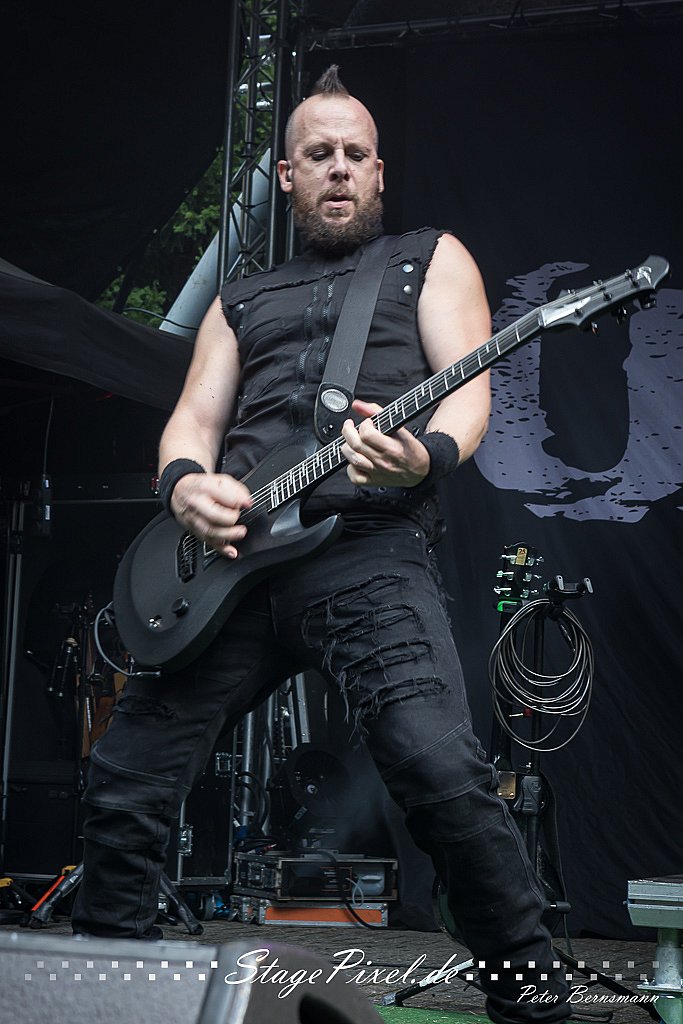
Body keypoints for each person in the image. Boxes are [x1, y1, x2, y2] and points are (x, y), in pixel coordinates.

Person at [72, 67, 569, 1023]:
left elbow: (468, 392)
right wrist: (186, 487)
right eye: (318, 154)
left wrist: (421, 456)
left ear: (378, 172)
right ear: (288, 176)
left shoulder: (427, 258)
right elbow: (191, 421)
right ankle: (99, 996)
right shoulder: (240, 297)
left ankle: (530, 994)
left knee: (438, 769)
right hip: (230, 568)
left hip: (367, 546)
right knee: (126, 782)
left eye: (354, 154)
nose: (338, 168)